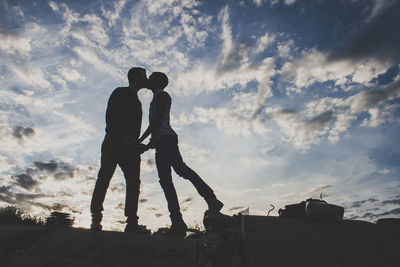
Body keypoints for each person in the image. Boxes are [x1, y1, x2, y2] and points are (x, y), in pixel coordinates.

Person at [138, 72, 224, 237]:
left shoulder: (163, 96)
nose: (149, 79)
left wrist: (141, 140)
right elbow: (156, 127)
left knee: (181, 170)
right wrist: (148, 144)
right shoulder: (155, 98)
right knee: (165, 181)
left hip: (167, 140)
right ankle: (177, 221)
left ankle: (211, 199)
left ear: (159, 81)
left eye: (152, 77)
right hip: (160, 143)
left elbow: (156, 123)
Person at [90, 67, 149, 233]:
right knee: (104, 178)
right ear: (135, 77)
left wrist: (136, 144)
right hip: (114, 142)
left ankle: (131, 222)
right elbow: (111, 117)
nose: (146, 78)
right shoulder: (120, 92)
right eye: (144, 75)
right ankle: (96, 218)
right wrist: (123, 137)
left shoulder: (138, 101)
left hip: (130, 148)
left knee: (133, 183)